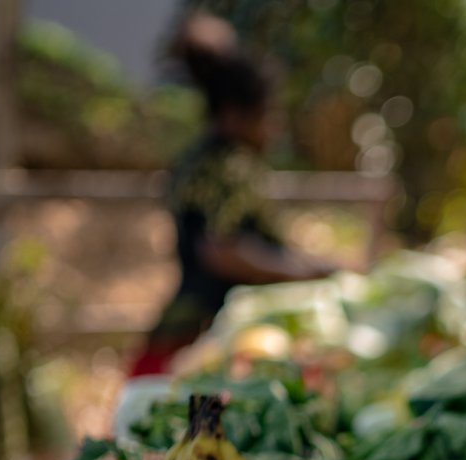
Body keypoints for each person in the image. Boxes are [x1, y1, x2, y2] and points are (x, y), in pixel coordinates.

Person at [132, 15, 335, 377]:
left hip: (183, 325)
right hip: (212, 334)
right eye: (267, 116)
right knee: (199, 424)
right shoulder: (230, 167)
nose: (274, 129)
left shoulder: (197, 159)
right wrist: (303, 271)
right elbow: (222, 250)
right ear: (234, 116)